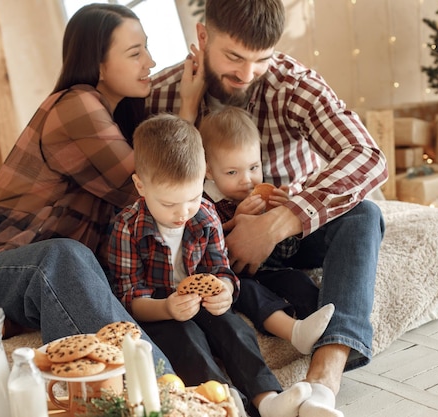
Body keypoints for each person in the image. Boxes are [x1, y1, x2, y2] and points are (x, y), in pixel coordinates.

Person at [0, 3, 204, 368]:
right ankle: (161, 392)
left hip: (29, 278)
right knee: (62, 256)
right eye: (135, 52)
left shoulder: (116, 118)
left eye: (146, 47)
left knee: (81, 264)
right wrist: (187, 111)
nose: (150, 61)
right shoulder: (76, 106)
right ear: (98, 64)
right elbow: (153, 196)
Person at [146, 0, 388, 415]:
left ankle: (323, 381)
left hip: (290, 236)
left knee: (365, 214)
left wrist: (278, 222)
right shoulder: (162, 93)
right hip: (209, 244)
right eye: (233, 57)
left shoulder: (291, 85)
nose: (246, 74)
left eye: (261, 59)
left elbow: (367, 155)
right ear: (202, 37)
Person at [108, 113, 313, 417]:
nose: (182, 213)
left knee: (235, 330)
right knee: (188, 342)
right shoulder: (127, 228)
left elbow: (221, 270)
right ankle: (222, 406)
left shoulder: (204, 214)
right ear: (140, 185)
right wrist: (166, 308)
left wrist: (225, 291)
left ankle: (267, 399)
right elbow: (129, 297)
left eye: (191, 197)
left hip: (203, 303)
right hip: (158, 311)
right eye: (168, 203)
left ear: (203, 178)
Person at [198, 106, 335, 355]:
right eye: (232, 172)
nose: (247, 180)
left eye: (253, 167)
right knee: (251, 294)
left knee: (298, 280)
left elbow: (286, 254)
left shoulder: (266, 194)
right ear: (208, 171)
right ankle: (292, 331)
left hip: (272, 270)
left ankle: (327, 332)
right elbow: (206, 258)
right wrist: (235, 221)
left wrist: (285, 221)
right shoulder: (204, 204)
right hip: (235, 279)